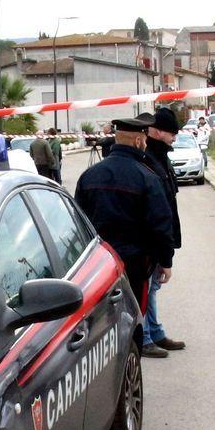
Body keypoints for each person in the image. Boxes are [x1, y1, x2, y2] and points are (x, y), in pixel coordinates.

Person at [74, 115, 176, 359]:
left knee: (102, 320)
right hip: (136, 263)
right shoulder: (147, 177)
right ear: (140, 141)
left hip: (99, 265)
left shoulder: (89, 176)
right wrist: (166, 261)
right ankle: (128, 365)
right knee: (132, 320)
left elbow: (78, 225)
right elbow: (161, 225)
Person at [140, 107, 185, 355]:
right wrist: (163, 249)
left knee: (152, 286)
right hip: (152, 239)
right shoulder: (149, 160)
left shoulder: (160, 157)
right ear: (156, 131)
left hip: (161, 237)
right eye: (171, 132)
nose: (174, 138)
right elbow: (157, 210)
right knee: (147, 287)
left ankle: (154, 332)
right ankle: (147, 337)